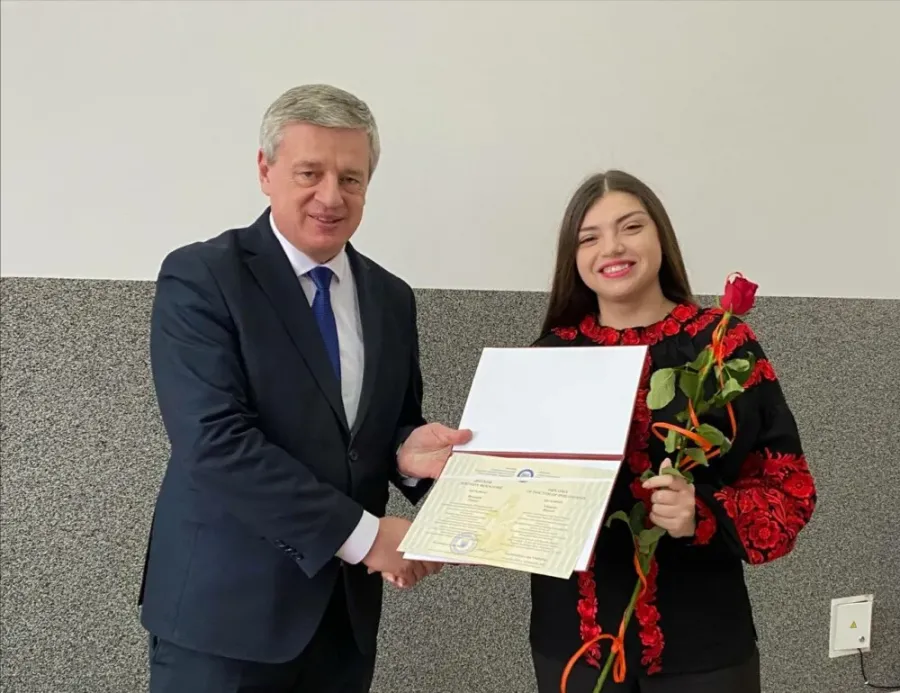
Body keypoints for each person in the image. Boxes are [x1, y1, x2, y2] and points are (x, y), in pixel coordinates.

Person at [138, 83, 471, 693]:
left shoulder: (391, 297)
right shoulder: (202, 276)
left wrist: (407, 453)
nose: (331, 196)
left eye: (351, 178)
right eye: (310, 173)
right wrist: (368, 537)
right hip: (224, 622)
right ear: (265, 171)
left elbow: (381, 428)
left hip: (341, 625)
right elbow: (214, 443)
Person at [528, 170, 817, 692]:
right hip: (574, 646)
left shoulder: (722, 347)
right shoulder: (549, 356)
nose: (611, 248)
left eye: (630, 227)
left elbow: (789, 490)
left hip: (703, 646)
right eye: (589, 238)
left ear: (660, 235)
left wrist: (701, 512)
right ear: (573, 257)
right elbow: (512, 488)